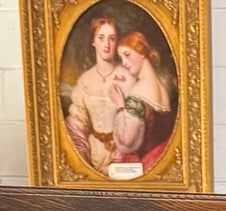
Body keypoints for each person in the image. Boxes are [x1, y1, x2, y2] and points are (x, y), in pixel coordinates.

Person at [106, 31, 176, 175]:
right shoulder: (161, 87)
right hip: (159, 161)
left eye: (127, 55)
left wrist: (120, 106)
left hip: (143, 163)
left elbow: (127, 143)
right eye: (121, 57)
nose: (124, 63)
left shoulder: (138, 91)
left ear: (142, 53)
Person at [65, 14, 124, 173]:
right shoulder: (85, 80)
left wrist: (118, 162)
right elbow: (77, 123)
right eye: (101, 38)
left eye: (112, 38)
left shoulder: (126, 77)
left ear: (117, 42)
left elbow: (134, 125)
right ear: (93, 41)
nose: (107, 44)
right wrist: (83, 161)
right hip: (93, 154)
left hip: (125, 156)